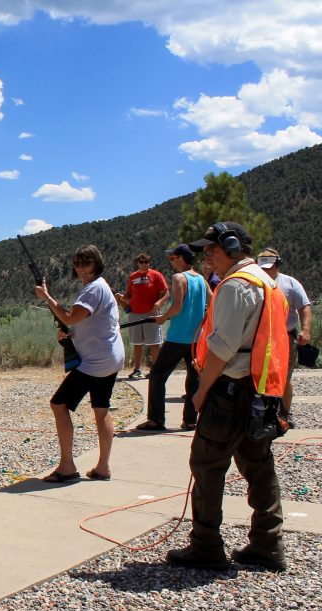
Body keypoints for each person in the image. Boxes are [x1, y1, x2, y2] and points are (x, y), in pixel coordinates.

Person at [167, 222, 290, 572]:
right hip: (259, 391)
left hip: (230, 389)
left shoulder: (236, 286)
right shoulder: (268, 282)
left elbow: (222, 347)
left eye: (212, 249)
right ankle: (268, 544)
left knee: (207, 465)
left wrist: (201, 392)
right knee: (259, 466)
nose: (207, 256)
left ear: (233, 248)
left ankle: (206, 546)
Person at [34, 245, 124, 482]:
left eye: (86, 263)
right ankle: (103, 467)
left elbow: (69, 317)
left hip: (95, 362)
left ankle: (66, 467)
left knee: (59, 405)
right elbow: (86, 322)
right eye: (77, 263)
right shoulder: (100, 286)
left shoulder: (93, 290)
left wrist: (47, 298)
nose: (81, 268)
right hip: (110, 357)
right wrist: (71, 334)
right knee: (101, 408)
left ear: (96, 264)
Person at [134, 245, 208, 431]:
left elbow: (177, 307)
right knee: (193, 379)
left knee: (157, 376)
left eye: (173, 258)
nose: (171, 262)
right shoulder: (200, 279)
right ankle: (190, 420)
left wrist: (162, 318)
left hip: (177, 336)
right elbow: (213, 300)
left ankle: (156, 420)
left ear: (182, 258)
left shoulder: (178, 278)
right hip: (196, 338)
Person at [256, 248, 312, 428]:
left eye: (269, 266)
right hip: (260, 338)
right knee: (259, 376)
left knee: (284, 378)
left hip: (285, 338)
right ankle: (261, 413)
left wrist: (305, 330)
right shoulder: (254, 283)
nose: (265, 270)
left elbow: (304, 306)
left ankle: (285, 414)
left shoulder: (290, 283)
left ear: (277, 264)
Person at [115, 253, 169, 379]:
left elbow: (166, 292)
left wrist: (159, 303)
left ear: (149, 263)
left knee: (154, 343)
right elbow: (130, 292)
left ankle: (156, 370)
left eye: (146, 262)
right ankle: (137, 369)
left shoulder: (156, 275)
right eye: (141, 262)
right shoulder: (133, 277)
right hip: (135, 314)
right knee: (136, 343)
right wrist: (122, 297)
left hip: (151, 314)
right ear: (137, 263)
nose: (144, 264)